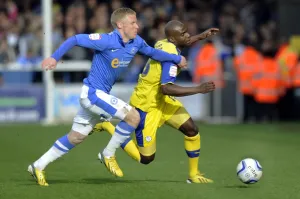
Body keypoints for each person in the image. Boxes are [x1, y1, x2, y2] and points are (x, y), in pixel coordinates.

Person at [28, 8, 187, 186]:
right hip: (92, 94)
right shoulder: (105, 40)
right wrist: (54, 57)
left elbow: (153, 52)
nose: (138, 25)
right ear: (120, 25)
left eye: (137, 22)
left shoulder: (136, 42)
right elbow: (75, 39)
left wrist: (175, 58)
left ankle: (38, 165)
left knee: (76, 137)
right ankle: (108, 154)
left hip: (100, 96)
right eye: (133, 22)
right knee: (133, 116)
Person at [94, 20, 218, 183]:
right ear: (173, 39)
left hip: (162, 101)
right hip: (147, 106)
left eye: (187, 31)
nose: (187, 35)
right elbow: (166, 88)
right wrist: (198, 89)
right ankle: (108, 126)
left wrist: (200, 36)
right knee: (146, 158)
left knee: (191, 130)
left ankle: (193, 175)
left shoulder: (164, 43)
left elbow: (181, 42)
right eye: (184, 33)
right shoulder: (171, 60)